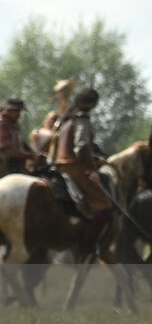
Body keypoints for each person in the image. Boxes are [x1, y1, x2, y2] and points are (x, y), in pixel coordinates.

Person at [54, 87, 112, 250]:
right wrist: (92, 170)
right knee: (104, 205)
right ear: (92, 104)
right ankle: (88, 245)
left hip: (59, 166)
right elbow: (81, 146)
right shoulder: (82, 119)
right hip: (73, 167)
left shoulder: (66, 120)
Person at [0, 96, 35, 180]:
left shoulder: (11, 125)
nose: (19, 114)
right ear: (7, 110)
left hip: (12, 168)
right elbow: (2, 149)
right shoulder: (1, 124)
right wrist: (30, 155)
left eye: (19, 111)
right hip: (1, 169)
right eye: (16, 111)